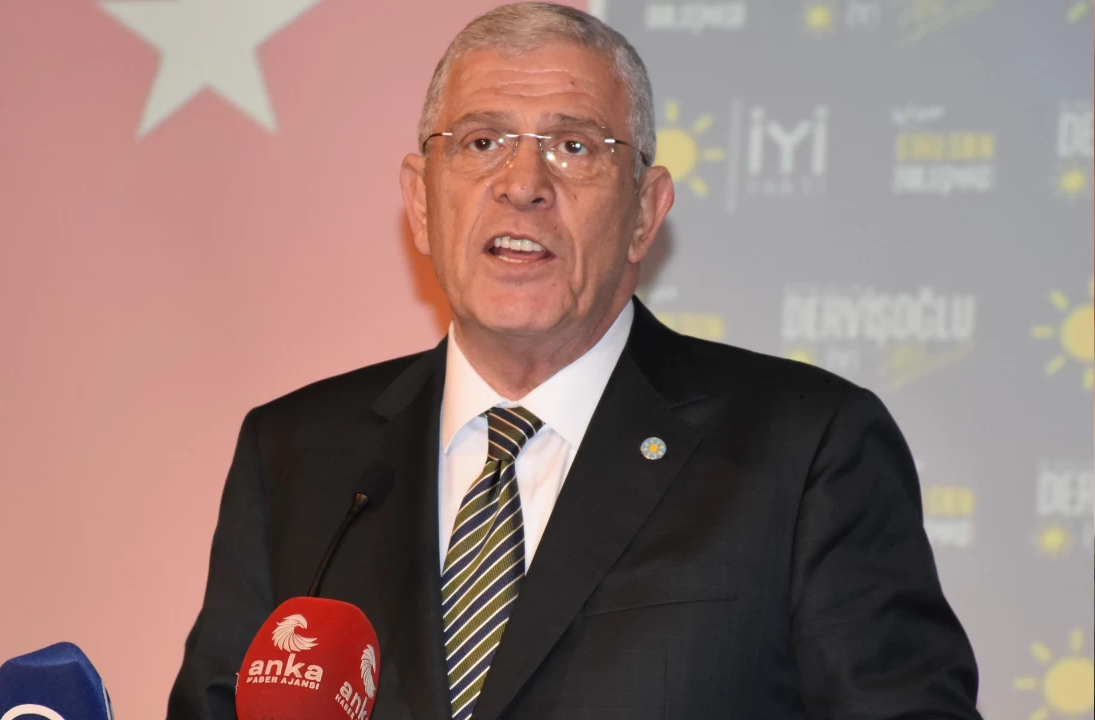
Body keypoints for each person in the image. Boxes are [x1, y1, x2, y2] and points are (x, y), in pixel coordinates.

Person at [167, 4, 981, 719]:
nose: (523, 184)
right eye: (482, 141)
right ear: (420, 201)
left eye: (574, 146)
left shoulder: (806, 450)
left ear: (645, 212)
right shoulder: (296, 454)